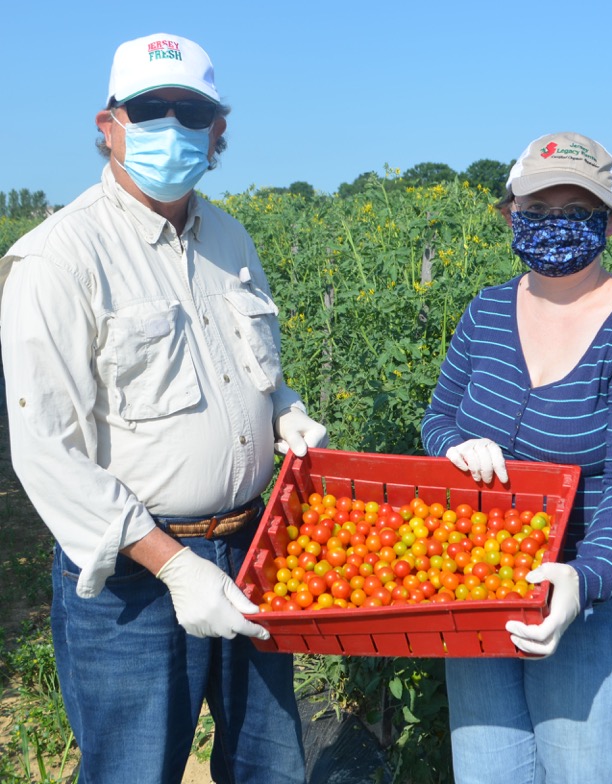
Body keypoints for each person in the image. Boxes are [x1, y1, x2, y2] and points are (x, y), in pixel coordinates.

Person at [0, 33, 327, 784]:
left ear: (219, 130)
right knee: (133, 770)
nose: (173, 128)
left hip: (251, 549)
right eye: (150, 110)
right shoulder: (61, 257)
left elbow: (251, 367)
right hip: (136, 580)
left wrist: (284, 409)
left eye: (191, 111)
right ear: (107, 124)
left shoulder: (229, 234)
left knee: (271, 764)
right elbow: (47, 452)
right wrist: (177, 568)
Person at [421, 131, 612, 784]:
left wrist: (584, 578)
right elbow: (438, 418)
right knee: (490, 774)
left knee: (580, 773)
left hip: (599, 594)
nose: (554, 228)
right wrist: (455, 445)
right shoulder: (485, 311)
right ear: (508, 214)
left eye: (576, 212)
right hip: (483, 577)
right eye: (536, 212)